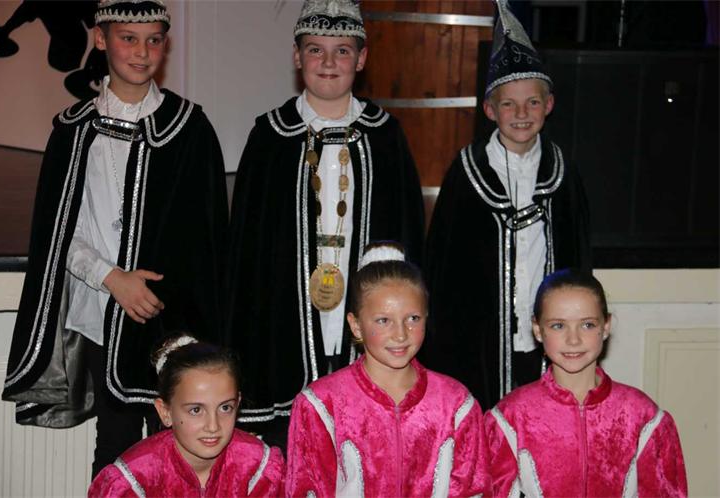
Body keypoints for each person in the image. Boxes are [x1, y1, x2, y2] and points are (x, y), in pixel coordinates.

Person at [1, 0, 228, 478]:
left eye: (153, 40)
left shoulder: (189, 127)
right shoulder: (72, 130)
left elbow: (206, 238)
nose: (142, 52)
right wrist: (112, 277)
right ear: (101, 39)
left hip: (171, 319)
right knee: (116, 447)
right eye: (128, 38)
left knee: (181, 452)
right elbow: (58, 232)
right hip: (101, 317)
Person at [226, 0, 424, 445]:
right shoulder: (270, 137)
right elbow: (247, 251)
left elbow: (408, 234)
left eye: (342, 51)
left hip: (365, 315)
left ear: (362, 58)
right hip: (286, 315)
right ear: (297, 57)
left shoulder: (386, 136)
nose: (329, 62)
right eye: (316, 50)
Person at [421, 0, 590, 409]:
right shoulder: (467, 173)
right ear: (489, 110)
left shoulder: (563, 172)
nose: (521, 113)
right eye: (508, 104)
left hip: (546, 339)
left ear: (548, 105)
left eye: (532, 102)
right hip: (478, 342)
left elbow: (579, 255)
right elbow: (443, 265)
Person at [286, 242, 490, 497]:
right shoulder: (320, 405)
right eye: (384, 320)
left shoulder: (455, 404)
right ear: (356, 325)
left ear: (427, 317)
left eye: (413, 318)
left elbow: (474, 490)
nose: (401, 334)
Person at [484, 269, 688, 497]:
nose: (573, 340)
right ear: (538, 330)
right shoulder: (510, 417)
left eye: (587, 325)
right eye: (558, 326)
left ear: (606, 326)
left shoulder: (642, 416)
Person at [89, 335, 284, 497]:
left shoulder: (259, 470)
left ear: (237, 403)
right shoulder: (134, 481)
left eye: (225, 408)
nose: (213, 426)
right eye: (196, 410)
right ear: (165, 412)